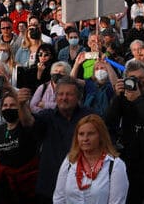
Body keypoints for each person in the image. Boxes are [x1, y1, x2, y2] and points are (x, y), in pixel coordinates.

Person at [23, 76, 93, 204]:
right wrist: (22, 105)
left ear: (78, 97)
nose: (64, 98)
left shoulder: (89, 117)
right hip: (50, 186)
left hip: (82, 187)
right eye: (60, 94)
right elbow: (28, 122)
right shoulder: (46, 116)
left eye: (69, 94)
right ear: (55, 97)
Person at [104, 59, 144, 204]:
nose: (138, 83)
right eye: (133, 79)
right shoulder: (123, 99)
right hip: (129, 164)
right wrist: (117, 97)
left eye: (142, 78)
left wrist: (138, 99)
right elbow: (107, 122)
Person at [52, 115, 128, 204]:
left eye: (91, 134)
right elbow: (59, 198)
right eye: (81, 134)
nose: (85, 139)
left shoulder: (115, 165)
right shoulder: (69, 161)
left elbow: (117, 202)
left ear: (101, 136)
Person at [0, 88, 38, 204]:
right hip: (5, 184)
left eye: (12, 105)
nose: (8, 108)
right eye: (5, 105)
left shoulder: (26, 126)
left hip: (27, 184)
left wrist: (22, 103)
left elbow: (27, 119)